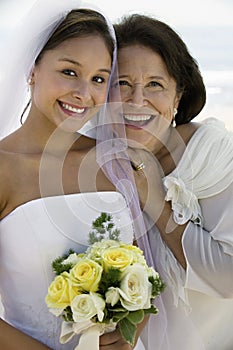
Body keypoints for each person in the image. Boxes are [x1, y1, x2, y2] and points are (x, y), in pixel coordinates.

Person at [0, 2, 147, 349]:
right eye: (69, 72)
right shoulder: (3, 168)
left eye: (98, 79)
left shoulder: (113, 159)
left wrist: (132, 330)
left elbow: (146, 270)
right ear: (32, 69)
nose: (84, 93)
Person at [112, 14, 233, 350]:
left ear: (178, 96)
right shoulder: (90, 157)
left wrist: (155, 202)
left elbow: (229, 278)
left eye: (155, 84)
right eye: (122, 83)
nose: (137, 101)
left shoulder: (213, 154)